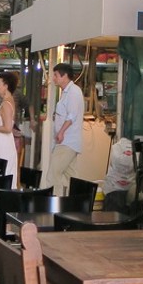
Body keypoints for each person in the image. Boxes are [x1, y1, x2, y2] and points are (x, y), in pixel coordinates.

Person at [45, 62, 84, 196]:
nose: (53, 78)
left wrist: (61, 132)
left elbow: (72, 115)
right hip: (66, 142)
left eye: (55, 75)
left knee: (53, 174)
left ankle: (54, 206)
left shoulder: (74, 91)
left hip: (67, 142)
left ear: (65, 76)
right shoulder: (65, 92)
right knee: (71, 176)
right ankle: (77, 204)